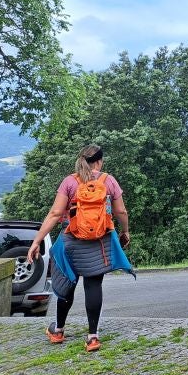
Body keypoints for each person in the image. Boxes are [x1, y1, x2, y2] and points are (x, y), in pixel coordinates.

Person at [27, 144, 133, 352]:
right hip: (100, 242)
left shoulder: (69, 182)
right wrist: (125, 231)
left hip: (71, 241)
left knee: (67, 283)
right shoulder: (108, 180)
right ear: (100, 161)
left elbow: (56, 214)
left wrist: (36, 240)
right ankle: (92, 337)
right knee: (93, 286)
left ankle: (58, 330)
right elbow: (121, 212)